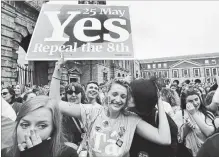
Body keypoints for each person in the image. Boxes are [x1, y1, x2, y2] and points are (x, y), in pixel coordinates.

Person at [49, 58, 171, 157]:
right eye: (114, 94)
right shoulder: (91, 111)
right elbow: (54, 102)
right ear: (106, 93)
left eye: (123, 96)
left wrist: (158, 98)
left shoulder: (132, 120)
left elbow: (164, 138)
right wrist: (57, 71)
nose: (118, 100)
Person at [1, 95, 78, 157]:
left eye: (41, 126)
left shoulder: (68, 154)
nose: (29, 134)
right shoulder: (5, 153)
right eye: (24, 125)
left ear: (53, 129)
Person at [129, 79, 178, 157]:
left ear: (141, 98)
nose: (126, 97)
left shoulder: (162, 120)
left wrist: (159, 101)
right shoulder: (127, 114)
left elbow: (169, 146)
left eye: (131, 95)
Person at [173, 88, 215, 157]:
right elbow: (178, 138)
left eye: (196, 99)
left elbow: (209, 132)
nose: (195, 103)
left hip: (206, 152)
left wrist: (193, 113)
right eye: (190, 101)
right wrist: (186, 127)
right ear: (185, 102)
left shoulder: (206, 113)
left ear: (200, 99)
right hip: (186, 152)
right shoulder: (179, 114)